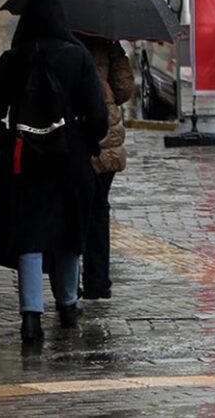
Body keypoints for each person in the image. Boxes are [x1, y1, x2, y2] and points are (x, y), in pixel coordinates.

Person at [0, 0, 108, 343]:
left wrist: (12, 145)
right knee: (69, 233)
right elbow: (98, 117)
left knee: (30, 236)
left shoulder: (12, 60)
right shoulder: (78, 56)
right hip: (70, 162)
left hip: (24, 165)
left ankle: (31, 317)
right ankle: (68, 305)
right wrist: (82, 142)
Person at [75, 33, 135, 301]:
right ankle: (97, 282)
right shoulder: (108, 43)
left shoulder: (63, 42)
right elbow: (124, 90)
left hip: (73, 136)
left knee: (72, 210)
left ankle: (67, 284)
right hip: (105, 138)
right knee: (98, 210)